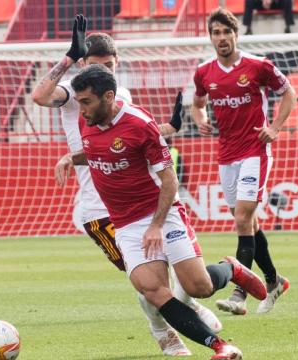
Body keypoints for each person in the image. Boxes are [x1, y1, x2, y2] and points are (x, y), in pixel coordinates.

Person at [32, 15, 220, 356]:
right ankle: (164, 330)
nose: (106, 71)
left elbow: (134, 136)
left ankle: (188, 303)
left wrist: (169, 128)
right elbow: (39, 95)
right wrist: (69, 58)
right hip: (100, 209)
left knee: (177, 271)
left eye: (110, 65)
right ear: (86, 65)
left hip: (141, 196)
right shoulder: (74, 94)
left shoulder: (119, 94)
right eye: (97, 65)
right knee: (151, 285)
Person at [58, 64, 267, 359]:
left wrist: (155, 225)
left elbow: (170, 180)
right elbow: (95, 151)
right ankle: (221, 347)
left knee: (199, 287)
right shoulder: (87, 121)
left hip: (162, 214)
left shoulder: (139, 123)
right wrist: (71, 157)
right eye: (78, 102)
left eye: (86, 102)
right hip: (127, 226)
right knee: (152, 290)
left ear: (108, 96)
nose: (81, 110)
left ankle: (230, 268)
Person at [191, 8, 296, 315]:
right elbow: (198, 103)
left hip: (255, 150)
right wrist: (200, 119)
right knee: (248, 222)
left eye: (227, 32)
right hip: (226, 155)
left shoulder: (258, 66)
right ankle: (275, 281)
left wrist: (274, 128)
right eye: (216, 33)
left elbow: (289, 93)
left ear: (236, 34)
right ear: (210, 37)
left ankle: (240, 293)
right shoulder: (204, 72)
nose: (222, 38)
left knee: (241, 218)